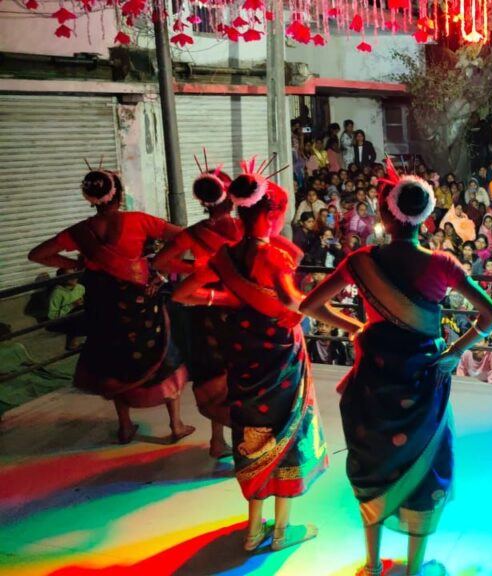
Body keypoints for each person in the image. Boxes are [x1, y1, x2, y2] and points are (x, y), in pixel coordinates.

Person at [300, 166, 492, 576]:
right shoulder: (442, 263)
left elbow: (310, 306)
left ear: (385, 213)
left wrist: (356, 326)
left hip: (374, 377)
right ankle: (413, 568)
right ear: (426, 215)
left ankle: (372, 563)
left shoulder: (361, 261)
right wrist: (455, 351)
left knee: (373, 460)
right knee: (424, 463)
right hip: (425, 377)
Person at [172, 164, 327, 552]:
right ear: (271, 214)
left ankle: (254, 530)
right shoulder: (273, 256)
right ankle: (282, 531)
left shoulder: (225, 256)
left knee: (251, 432)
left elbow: (181, 294)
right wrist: (333, 307)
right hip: (281, 361)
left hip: (243, 357)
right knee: (286, 430)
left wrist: (224, 298)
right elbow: (293, 302)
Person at [28, 169, 191, 445]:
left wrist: (75, 264)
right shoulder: (138, 220)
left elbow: (37, 254)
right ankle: (175, 424)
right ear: (119, 193)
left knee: (115, 362)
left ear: (90, 198)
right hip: (141, 304)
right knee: (161, 354)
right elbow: (185, 236)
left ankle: (125, 427)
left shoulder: (80, 232)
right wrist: (161, 270)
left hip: (104, 307)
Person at [155, 167, 242, 458]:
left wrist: (194, 269)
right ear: (230, 198)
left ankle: (217, 440)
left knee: (213, 370)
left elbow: (160, 262)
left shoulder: (194, 232)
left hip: (204, 306)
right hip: (237, 304)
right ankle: (241, 438)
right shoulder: (241, 230)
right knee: (240, 372)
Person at [47, 268, 86, 350]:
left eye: (74, 275)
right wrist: (71, 305)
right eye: (69, 276)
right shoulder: (57, 293)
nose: (73, 278)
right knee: (76, 315)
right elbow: (52, 316)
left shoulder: (80, 288)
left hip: (80, 315)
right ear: (62, 278)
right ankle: (72, 344)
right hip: (64, 319)